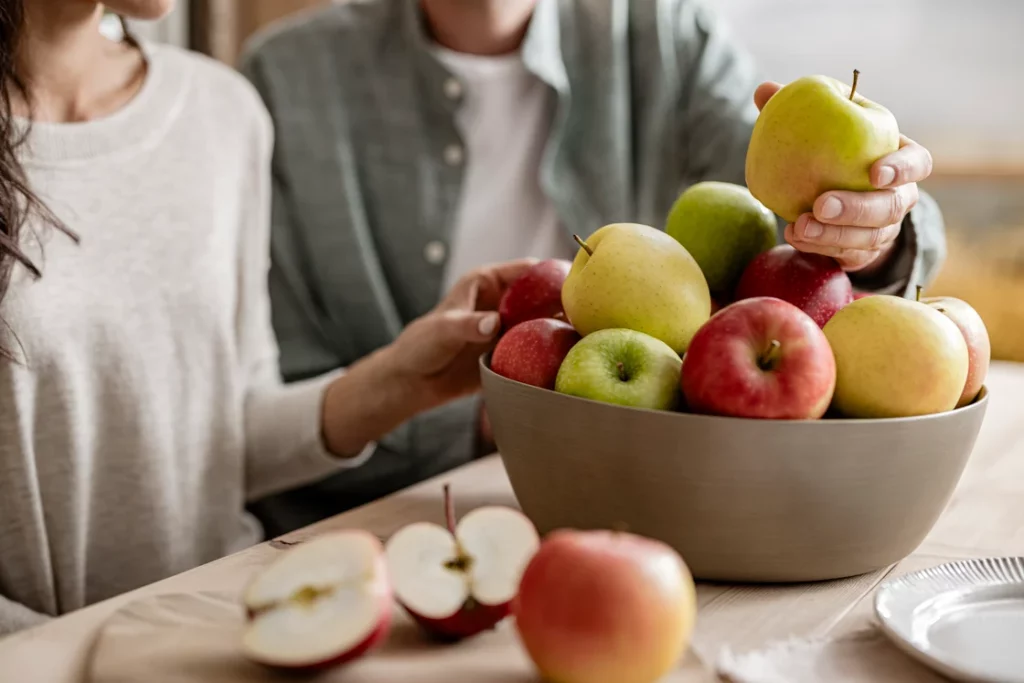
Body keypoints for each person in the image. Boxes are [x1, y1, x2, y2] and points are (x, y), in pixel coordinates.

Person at [240, 0, 946, 535]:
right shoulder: (284, 81)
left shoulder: (663, 37)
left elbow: (814, 233)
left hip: (663, 524)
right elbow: (267, 413)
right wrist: (500, 416)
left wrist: (867, 227)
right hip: (366, 529)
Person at [0, 0, 533, 635]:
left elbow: (225, 443)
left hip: (221, 631)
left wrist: (401, 382)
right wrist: (66, 654)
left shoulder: (221, 112)